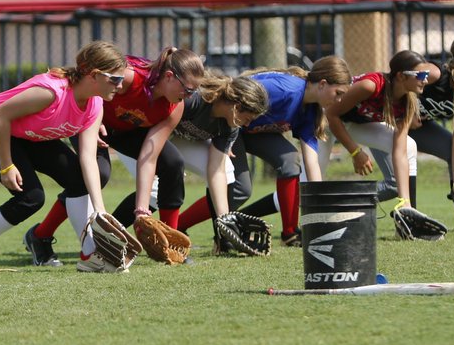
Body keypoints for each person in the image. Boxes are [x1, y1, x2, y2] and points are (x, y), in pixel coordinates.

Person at [22, 47, 206, 267]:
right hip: (91, 121)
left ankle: (171, 245)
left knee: (172, 163)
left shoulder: (174, 107)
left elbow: (149, 156)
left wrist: (141, 211)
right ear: (168, 77)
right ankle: (40, 235)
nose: (188, 96)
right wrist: (93, 117)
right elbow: (90, 82)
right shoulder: (129, 78)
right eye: (187, 89)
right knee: (98, 174)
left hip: (127, 131)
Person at [0, 41, 126, 274]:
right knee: (31, 198)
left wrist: (100, 210)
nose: (120, 84)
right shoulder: (51, 92)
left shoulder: (95, 104)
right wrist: (6, 166)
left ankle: (91, 255)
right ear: (94, 75)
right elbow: (0, 115)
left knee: (77, 180)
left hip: (27, 136)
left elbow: (87, 157)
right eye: (115, 79)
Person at [369, 32, 454, 233]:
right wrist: (408, 109)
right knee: (394, 184)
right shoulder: (436, 73)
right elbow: (401, 79)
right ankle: (350, 202)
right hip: (385, 121)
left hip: (416, 129)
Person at [223, 57, 353, 245]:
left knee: (290, 160)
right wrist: (224, 142)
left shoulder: (310, 110)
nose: (339, 100)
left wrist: (319, 206)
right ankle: (190, 226)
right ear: (323, 84)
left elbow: (311, 162)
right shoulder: (285, 90)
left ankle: (290, 234)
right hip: (231, 127)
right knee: (242, 189)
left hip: (252, 132)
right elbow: (232, 97)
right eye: (338, 93)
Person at [324, 50, 438, 213]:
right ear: (401, 76)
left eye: (426, 75)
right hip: (325, 120)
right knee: (311, 180)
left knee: (409, 145)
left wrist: (404, 201)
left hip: (354, 124)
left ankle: (408, 211)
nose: (425, 80)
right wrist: (355, 152)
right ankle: (292, 228)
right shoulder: (371, 86)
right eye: (420, 75)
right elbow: (331, 114)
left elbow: (399, 153)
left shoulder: (408, 101)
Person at [170, 73, 271, 247]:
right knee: (156, 191)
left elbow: (216, 170)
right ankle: (112, 237)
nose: (246, 125)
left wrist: (225, 221)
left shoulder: (230, 126)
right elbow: (158, 125)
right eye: (247, 119)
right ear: (236, 107)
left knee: (227, 171)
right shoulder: (196, 99)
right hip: (146, 135)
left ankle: (223, 237)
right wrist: (168, 165)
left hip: (177, 138)